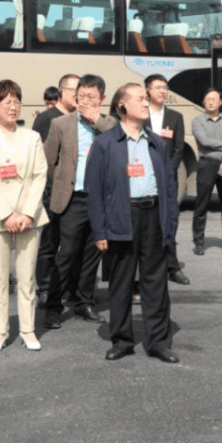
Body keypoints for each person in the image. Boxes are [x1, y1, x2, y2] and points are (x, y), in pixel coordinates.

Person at [86, 82, 179, 363]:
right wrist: (99, 230)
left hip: (153, 217)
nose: (146, 102)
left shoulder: (157, 143)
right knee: (122, 283)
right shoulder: (104, 144)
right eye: (140, 98)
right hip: (121, 217)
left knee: (156, 284)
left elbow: (170, 187)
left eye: (146, 97)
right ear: (122, 106)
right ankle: (122, 340)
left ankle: (158, 342)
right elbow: (94, 191)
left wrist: (170, 224)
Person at [0, 80, 48, 353]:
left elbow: (40, 175)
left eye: (17, 101)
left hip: (31, 217)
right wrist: (6, 215)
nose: (14, 107)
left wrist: (27, 212)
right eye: (7, 102)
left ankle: (28, 329)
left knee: (27, 276)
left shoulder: (31, 138)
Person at [42, 74, 116, 328]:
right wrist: (64, 181)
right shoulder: (61, 123)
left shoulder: (110, 123)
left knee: (93, 253)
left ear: (102, 99)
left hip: (100, 200)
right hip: (73, 198)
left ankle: (84, 302)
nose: (84, 101)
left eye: (90, 97)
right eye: (80, 96)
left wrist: (96, 120)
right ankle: (53, 306)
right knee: (67, 254)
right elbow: (48, 159)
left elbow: (120, 144)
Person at [32, 74, 79, 298]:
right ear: (61, 90)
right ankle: (45, 286)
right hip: (51, 190)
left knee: (72, 244)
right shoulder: (46, 119)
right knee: (49, 242)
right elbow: (42, 157)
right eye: (74, 91)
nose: (78, 96)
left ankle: (70, 286)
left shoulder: (81, 118)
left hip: (76, 191)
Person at [145, 73, 189, 284]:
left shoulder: (175, 117)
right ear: (148, 90)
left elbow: (179, 148)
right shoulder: (140, 115)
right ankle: (149, 268)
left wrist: (166, 171)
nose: (162, 91)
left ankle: (172, 266)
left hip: (167, 178)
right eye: (158, 87)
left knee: (170, 220)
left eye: (165, 87)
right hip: (142, 178)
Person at [191, 88, 222, 255]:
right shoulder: (197, 121)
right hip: (207, 164)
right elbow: (204, 142)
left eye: (214, 99)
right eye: (208, 99)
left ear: (220, 102)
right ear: (203, 102)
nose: (211, 102)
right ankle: (198, 242)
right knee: (201, 205)